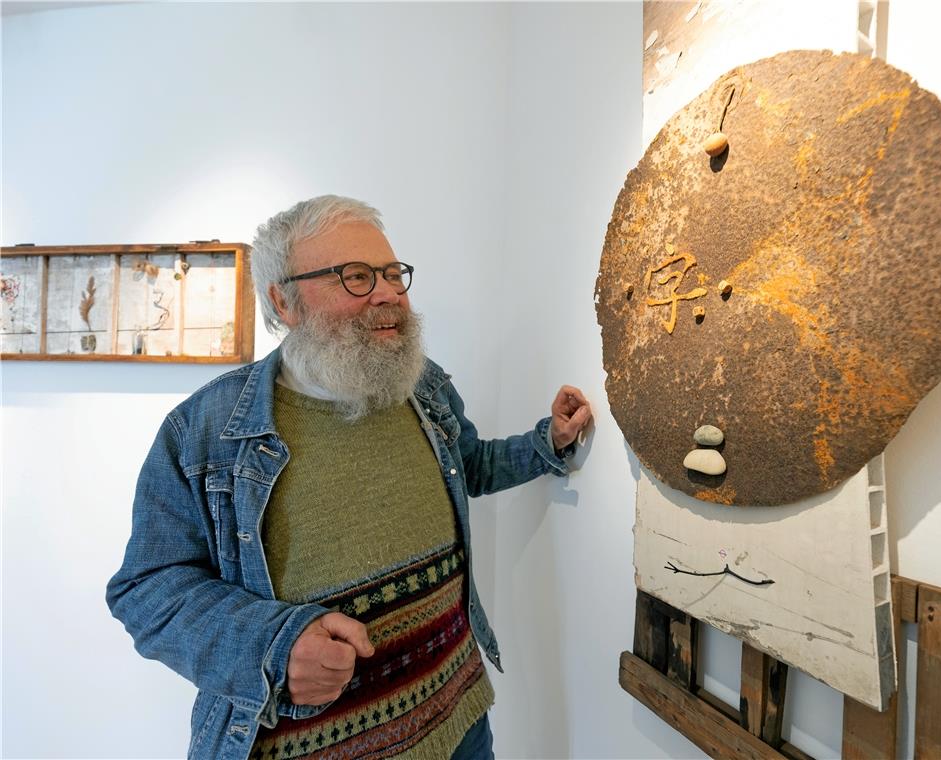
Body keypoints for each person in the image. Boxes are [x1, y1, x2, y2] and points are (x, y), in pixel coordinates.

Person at [106, 195, 592, 760]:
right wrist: (273, 646)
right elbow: (146, 591)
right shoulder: (203, 432)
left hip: (459, 721)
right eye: (355, 277)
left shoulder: (421, 384)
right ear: (282, 301)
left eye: (391, 274)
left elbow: (468, 466)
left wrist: (546, 444)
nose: (388, 294)